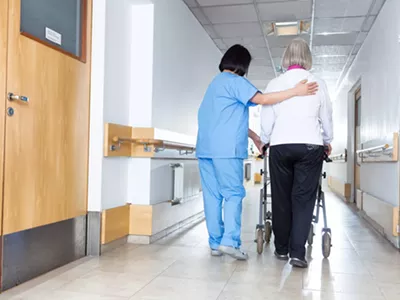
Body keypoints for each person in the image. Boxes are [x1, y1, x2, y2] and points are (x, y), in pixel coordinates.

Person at [196, 44, 319, 260]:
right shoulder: (235, 82)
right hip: (227, 150)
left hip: (206, 149)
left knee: (212, 196)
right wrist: (296, 92)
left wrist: (254, 136)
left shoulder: (213, 85)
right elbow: (263, 100)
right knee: (233, 194)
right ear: (242, 64)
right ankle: (230, 243)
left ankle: (215, 243)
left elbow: (224, 120)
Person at [260, 38, 333, 268]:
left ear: (285, 58)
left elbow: (267, 118)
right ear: (307, 58)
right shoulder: (318, 82)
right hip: (311, 145)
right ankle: (297, 253)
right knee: (303, 199)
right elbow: (327, 117)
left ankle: (281, 248)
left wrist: (264, 141)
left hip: (280, 145)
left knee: (281, 197)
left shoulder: (275, 83)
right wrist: (327, 141)